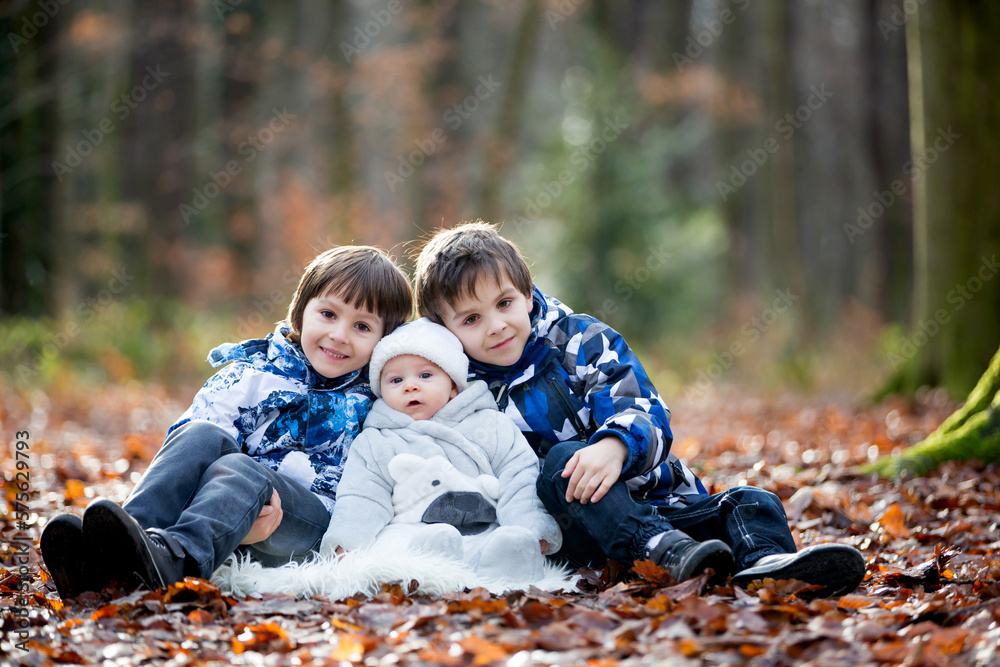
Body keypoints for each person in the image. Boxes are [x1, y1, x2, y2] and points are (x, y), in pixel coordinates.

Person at [412, 221, 866, 596]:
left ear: (528, 295)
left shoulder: (582, 340)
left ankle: (768, 565)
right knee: (560, 461)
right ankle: (661, 553)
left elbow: (642, 406)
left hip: (662, 503)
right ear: (445, 332)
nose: (496, 326)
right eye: (471, 319)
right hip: (575, 529)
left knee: (751, 501)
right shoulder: (457, 388)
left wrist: (614, 444)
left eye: (505, 303)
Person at [39, 246, 413, 600]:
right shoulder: (253, 373)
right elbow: (188, 453)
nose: (339, 335)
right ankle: (127, 542)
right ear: (301, 312)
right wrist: (234, 515)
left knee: (242, 468)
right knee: (201, 433)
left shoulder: (379, 400)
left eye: (362, 327)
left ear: (385, 341)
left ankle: (177, 560)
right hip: (227, 506)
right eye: (328, 315)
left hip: (307, 521)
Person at [321, 318, 561, 581]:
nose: (410, 385)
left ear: (453, 386)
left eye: (425, 375)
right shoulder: (377, 441)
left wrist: (530, 526)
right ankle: (423, 569)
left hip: (481, 528)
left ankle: (505, 570)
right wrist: (346, 542)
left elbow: (519, 478)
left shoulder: (491, 425)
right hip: (409, 529)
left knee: (507, 541)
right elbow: (361, 496)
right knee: (399, 545)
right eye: (395, 380)